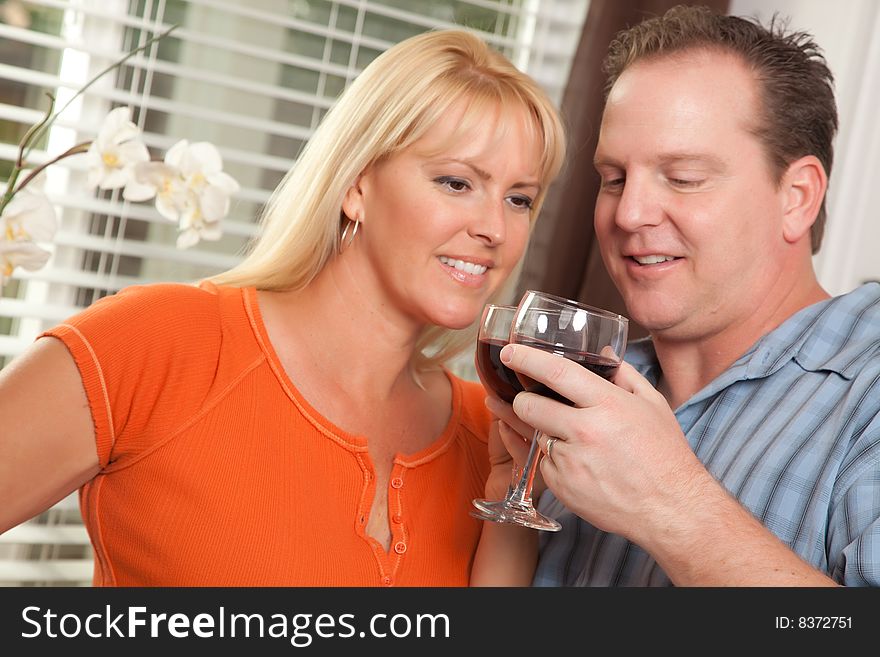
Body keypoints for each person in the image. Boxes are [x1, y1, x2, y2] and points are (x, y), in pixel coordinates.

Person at [0, 28, 565, 586]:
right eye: (456, 182)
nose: (494, 228)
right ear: (357, 186)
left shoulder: (492, 435)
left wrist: (505, 503)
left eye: (520, 199)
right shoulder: (158, 345)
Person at [487, 5, 880, 586]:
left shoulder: (866, 393)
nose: (629, 213)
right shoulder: (580, 393)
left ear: (797, 196)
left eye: (683, 177)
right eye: (614, 178)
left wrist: (671, 507)